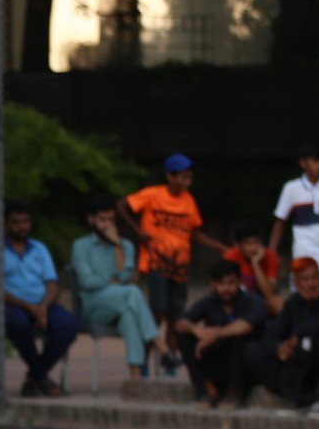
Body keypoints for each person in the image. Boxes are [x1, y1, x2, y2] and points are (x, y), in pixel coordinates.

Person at [120, 153, 228, 374]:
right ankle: (143, 362)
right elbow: (121, 206)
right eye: (183, 177)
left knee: (175, 316)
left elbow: (194, 232)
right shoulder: (152, 195)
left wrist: (218, 247)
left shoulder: (188, 200)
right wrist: (137, 231)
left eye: (190, 178)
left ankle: (169, 362)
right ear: (170, 176)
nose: (187, 182)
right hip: (156, 263)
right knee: (157, 313)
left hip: (180, 267)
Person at [246, 257, 319, 415]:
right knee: (255, 349)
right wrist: (278, 348)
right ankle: (301, 397)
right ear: (296, 283)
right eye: (305, 279)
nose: (311, 284)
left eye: (314, 278)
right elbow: (273, 331)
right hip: (308, 366)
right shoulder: (294, 303)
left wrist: (300, 334)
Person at [0, 200, 78, 397]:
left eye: (25, 221)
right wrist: (27, 306)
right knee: (17, 323)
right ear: (5, 223)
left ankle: (34, 377)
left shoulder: (39, 249)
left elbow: (52, 283)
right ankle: (41, 377)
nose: (21, 226)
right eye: (16, 222)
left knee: (69, 324)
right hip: (12, 305)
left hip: (42, 304)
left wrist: (43, 308)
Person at [70, 193, 158, 378]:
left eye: (111, 220)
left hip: (121, 302)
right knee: (132, 293)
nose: (108, 225)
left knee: (129, 314)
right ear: (91, 220)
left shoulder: (125, 246)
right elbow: (87, 283)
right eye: (102, 220)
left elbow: (126, 278)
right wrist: (111, 280)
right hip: (93, 307)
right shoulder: (81, 246)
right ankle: (160, 345)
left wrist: (117, 245)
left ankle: (135, 375)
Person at [173, 258, 268, 409]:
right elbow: (180, 323)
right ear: (213, 285)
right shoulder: (209, 301)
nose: (226, 289)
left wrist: (215, 335)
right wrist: (196, 330)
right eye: (220, 284)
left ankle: (236, 393)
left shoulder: (253, 301)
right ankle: (207, 391)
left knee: (239, 337)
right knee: (185, 338)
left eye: (231, 283)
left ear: (239, 282)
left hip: (247, 366)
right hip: (218, 362)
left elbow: (246, 325)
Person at [268, 142, 319, 284]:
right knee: (302, 285)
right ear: (303, 163)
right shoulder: (291, 188)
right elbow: (280, 221)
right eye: (315, 161)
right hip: (303, 250)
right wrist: (272, 255)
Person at [223, 219, 283, 315]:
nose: (253, 248)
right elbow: (224, 289)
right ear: (237, 245)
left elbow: (269, 293)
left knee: (277, 302)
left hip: (262, 300)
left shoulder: (270, 257)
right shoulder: (230, 257)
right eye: (247, 243)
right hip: (238, 301)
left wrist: (255, 264)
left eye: (256, 242)